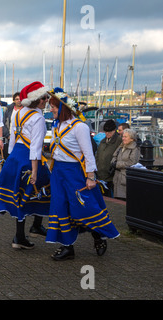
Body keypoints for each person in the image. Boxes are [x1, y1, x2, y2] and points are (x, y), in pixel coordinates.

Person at [45, 87, 120, 261]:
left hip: (75, 173)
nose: (51, 110)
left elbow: (88, 154)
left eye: (54, 107)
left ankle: (98, 237)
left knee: (82, 207)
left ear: (63, 108)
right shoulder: (58, 125)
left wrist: (91, 177)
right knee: (61, 207)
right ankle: (67, 247)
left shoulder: (79, 127)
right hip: (58, 173)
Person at [0, 82, 50, 249]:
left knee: (19, 197)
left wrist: (11, 159)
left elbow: (13, 139)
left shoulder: (18, 112)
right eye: (44, 97)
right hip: (30, 159)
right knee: (45, 188)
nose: (47, 100)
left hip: (16, 158)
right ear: (37, 99)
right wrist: (35, 171)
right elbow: (36, 147)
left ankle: (20, 236)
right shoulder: (38, 118)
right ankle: (36, 225)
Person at [111, 128, 140, 200]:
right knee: (117, 201)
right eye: (123, 136)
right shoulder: (121, 146)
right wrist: (113, 162)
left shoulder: (135, 149)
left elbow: (132, 163)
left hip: (125, 178)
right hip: (117, 178)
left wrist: (117, 164)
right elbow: (114, 156)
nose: (123, 138)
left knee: (124, 201)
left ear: (132, 138)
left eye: (125, 137)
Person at [95, 119, 122, 197]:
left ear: (114, 131)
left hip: (111, 176)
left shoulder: (119, 141)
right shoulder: (103, 141)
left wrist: (112, 168)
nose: (107, 134)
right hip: (100, 174)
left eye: (109, 132)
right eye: (106, 132)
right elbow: (97, 155)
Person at [2, 92, 21, 160]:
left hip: (21, 139)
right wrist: (7, 135)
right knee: (8, 158)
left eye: (20, 99)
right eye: (17, 99)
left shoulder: (26, 110)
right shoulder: (9, 110)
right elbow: (2, 123)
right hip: (9, 138)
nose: (19, 101)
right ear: (14, 100)